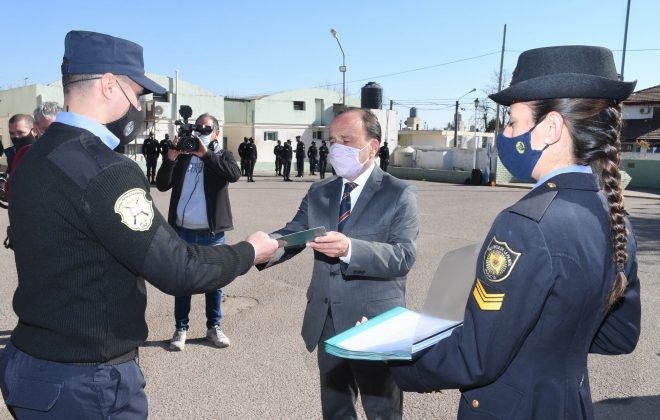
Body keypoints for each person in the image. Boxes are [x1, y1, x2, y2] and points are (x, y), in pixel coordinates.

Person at [0, 30, 277, 419]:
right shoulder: (108, 170)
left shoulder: (31, 156)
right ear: (110, 85)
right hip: (86, 382)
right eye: (137, 94)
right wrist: (250, 251)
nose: (139, 106)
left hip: (29, 366)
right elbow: (179, 269)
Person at [389, 46, 641, 419]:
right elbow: (618, 335)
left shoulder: (525, 224)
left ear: (551, 129)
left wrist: (390, 356)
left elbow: (475, 358)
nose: (504, 134)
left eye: (512, 121)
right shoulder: (613, 212)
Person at [258, 108, 418, 419]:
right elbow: (295, 233)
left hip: (374, 321)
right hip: (327, 317)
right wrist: (265, 247)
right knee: (335, 408)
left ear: (372, 147)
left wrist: (350, 249)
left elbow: (403, 257)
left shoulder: (399, 193)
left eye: (346, 140)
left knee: (382, 409)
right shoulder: (320, 191)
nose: (336, 149)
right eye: (333, 141)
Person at [156, 112, 242, 351]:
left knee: (214, 282)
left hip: (211, 233)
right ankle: (181, 328)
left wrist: (205, 154)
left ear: (216, 132)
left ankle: (214, 327)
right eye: (198, 127)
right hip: (182, 231)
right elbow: (162, 184)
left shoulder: (223, 155)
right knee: (183, 282)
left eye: (206, 128)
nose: (200, 130)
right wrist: (170, 159)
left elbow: (233, 175)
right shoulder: (183, 154)